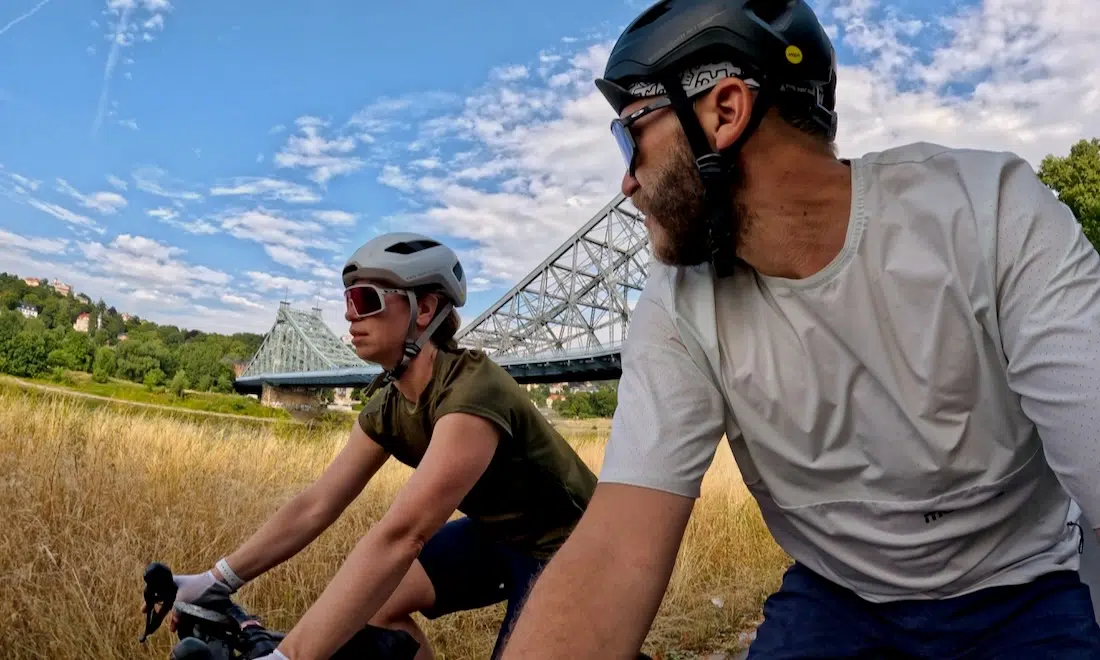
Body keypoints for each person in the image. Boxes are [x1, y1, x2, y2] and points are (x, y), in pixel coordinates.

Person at [501, 0, 1100, 658]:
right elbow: (614, 552)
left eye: (630, 133)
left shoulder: (988, 211)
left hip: (1025, 586)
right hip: (841, 598)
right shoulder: (678, 304)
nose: (625, 182)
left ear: (723, 111)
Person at [153, 232, 598, 660]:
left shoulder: (472, 392)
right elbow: (317, 503)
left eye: (365, 300)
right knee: (379, 604)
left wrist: (290, 656)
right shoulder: (389, 403)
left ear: (423, 309)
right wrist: (216, 580)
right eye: (347, 302)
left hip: (572, 545)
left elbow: (404, 533)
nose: (350, 316)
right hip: (497, 534)